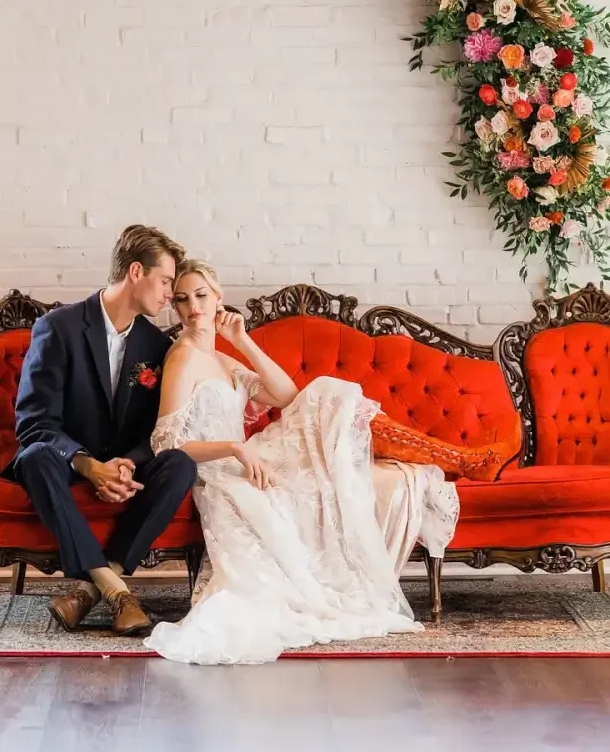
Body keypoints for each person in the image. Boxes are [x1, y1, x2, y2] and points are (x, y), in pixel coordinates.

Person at [144, 260, 459, 664]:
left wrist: (242, 341)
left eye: (202, 296)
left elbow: (287, 396)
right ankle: (440, 454)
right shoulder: (182, 358)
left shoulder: (224, 360)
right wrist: (236, 448)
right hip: (219, 470)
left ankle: (423, 452)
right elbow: (167, 445)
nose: (193, 308)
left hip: (248, 459)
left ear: (219, 298)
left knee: (325, 394)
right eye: (183, 300)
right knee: (327, 399)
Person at [9, 225, 197, 636]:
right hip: (66, 462)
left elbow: (155, 428)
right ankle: (119, 593)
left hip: (124, 463)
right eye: (165, 281)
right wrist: (88, 465)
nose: (170, 294)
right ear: (135, 272)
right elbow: (34, 422)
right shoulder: (58, 327)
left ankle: (90, 590)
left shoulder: (156, 346)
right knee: (35, 457)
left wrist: (127, 464)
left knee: (180, 463)